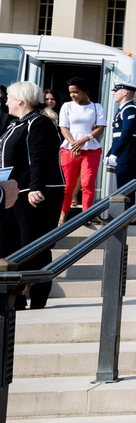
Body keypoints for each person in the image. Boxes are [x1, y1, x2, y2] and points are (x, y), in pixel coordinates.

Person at [0, 81, 65, 309]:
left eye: (8, 97)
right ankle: (14, 297)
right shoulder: (14, 124)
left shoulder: (39, 123)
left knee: (33, 246)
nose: (5, 101)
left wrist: (36, 187)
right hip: (13, 193)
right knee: (10, 246)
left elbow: (40, 158)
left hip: (33, 193)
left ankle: (37, 297)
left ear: (20, 100)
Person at [57, 77, 107, 225]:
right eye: (71, 92)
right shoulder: (67, 106)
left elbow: (100, 127)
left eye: (76, 92)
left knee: (88, 184)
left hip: (91, 148)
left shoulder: (97, 107)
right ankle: (62, 215)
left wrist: (84, 140)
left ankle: (86, 216)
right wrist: (74, 144)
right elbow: (63, 127)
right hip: (69, 148)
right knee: (68, 185)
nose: (72, 95)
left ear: (85, 92)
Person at [106, 82, 136, 205]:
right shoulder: (122, 110)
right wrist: (110, 153)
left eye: (116, 90)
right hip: (123, 153)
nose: (114, 93)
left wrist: (115, 154)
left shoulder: (130, 109)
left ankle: (128, 217)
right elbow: (117, 137)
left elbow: (126, 134)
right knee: (122, 186)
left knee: (126, 189)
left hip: (128, 153)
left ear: (124, 92)